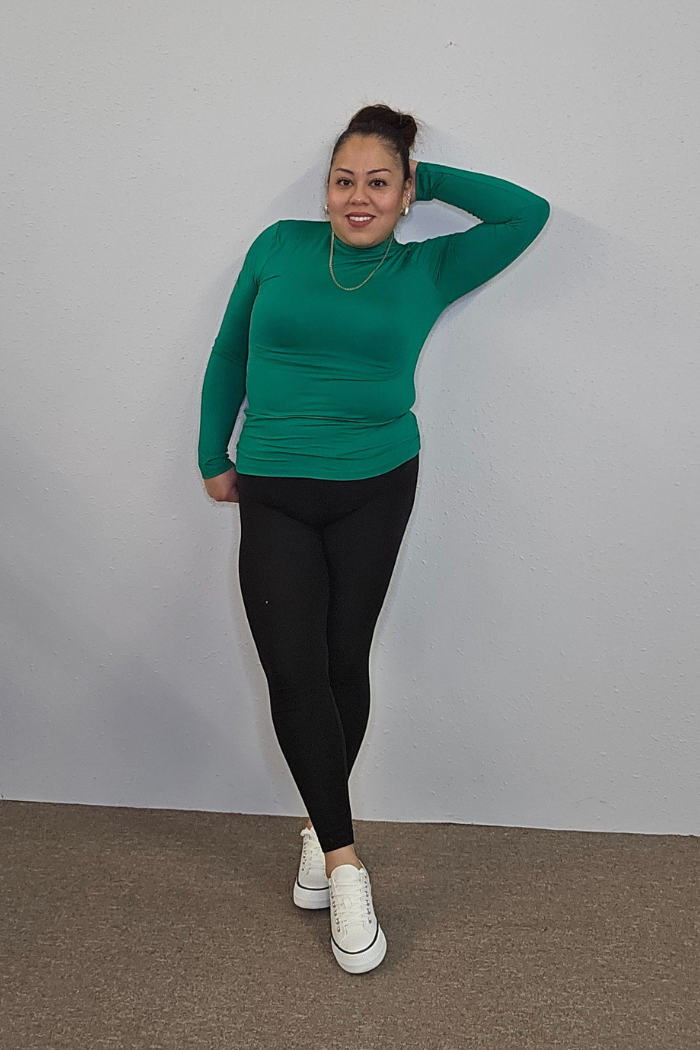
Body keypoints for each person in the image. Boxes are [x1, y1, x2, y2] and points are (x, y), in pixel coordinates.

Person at [197, 103, 550, 973]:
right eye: (344, 180)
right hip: (274, 484)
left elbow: (526, 213)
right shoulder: (278, 246)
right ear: (324, 190)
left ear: (404, 194)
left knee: (343, 654)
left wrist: (427, 176)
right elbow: (229, 354)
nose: (358, 198)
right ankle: (347, 861)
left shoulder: (429, 268)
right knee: (292, 663)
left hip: (377, 485)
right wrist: (212, 452)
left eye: (379, 183)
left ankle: (321, 836)